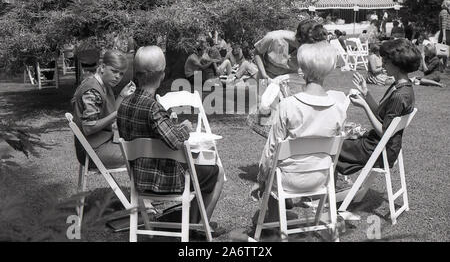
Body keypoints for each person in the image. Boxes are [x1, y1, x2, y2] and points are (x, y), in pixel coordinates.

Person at [117, 46, 225, 229]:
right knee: (217, 172)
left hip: (139, 180)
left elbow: (152, 135)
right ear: (162, 73)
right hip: (164, 181)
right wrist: (185, 128)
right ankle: (200, 227)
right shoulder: (153, 108)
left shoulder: (124, 104)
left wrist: (171, 126)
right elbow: (175, 141)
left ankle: (193, 222)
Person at [250, 39, 349, 224]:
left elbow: (271, 150)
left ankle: (271, 223)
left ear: (301, 71)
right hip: (321, 179)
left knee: (273, 169)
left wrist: (261, 179)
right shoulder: (339, 108)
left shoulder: (288, 106)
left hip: (288, 180)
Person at [336, 39, 420, 177]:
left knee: (333, 147)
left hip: (379, 150)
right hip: (382, 145)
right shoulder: (403, 87)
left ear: (397, 64)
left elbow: (383, 132)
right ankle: (333, 188)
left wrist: (364, 106)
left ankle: (327, 191)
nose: (382, 64)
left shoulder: (399, 96)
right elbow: (381, 115)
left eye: (386, 61)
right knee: (341, 141)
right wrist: (366, 93)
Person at [71, 50, 136, 169]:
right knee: (140, 154)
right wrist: (117, 114)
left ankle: (139, 187)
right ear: (102, 67)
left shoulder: (104, 85)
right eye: (114, 71)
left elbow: (109, 115)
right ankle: (141, 188)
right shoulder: (92, 90)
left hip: (101, 144)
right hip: (92, 151)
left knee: (138, 148)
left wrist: (122, 95)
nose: (117, 77)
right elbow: (89, 127)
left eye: (121, 74)